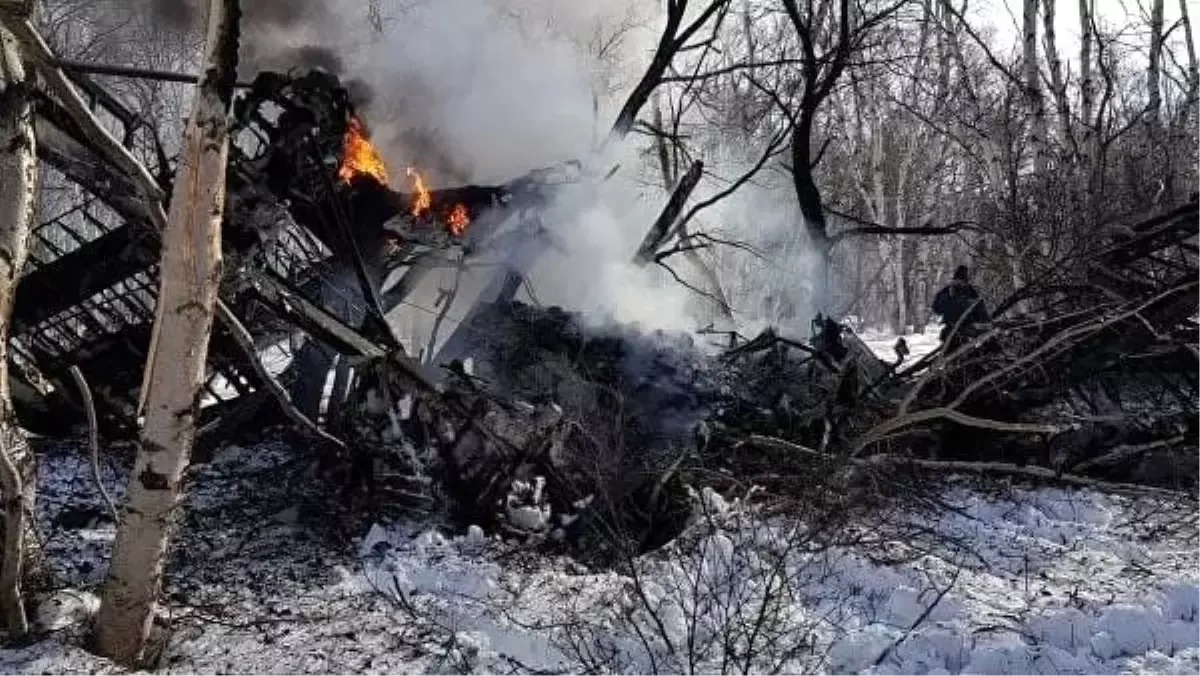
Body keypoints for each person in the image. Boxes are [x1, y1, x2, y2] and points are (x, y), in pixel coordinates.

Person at [931, 265, 990, 343]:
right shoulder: (969, 291)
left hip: (960, 331)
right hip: (959, 331)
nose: (959, 283)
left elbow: (936, 309)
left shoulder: (947, 291)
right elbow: (936, 308)